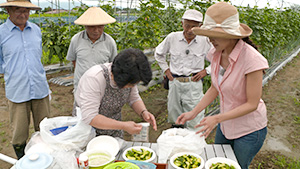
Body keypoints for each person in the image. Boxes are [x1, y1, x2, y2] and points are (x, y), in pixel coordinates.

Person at [176, 2, 269, 169]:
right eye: (208, 34)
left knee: (237, 166)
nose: (210, 39)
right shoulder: (215, 54)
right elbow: (214, 87)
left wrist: (216, 118)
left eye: (214, 35)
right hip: (226, 125)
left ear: (231, 35)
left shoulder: (252, 60)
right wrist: (193, 112)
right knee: (217, 161)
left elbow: (252, 104)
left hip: (249, 130)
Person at [0, 0, 50, 159]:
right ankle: (22, 161)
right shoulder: (1, 33)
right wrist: (11, 72)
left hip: (40, 87)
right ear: (8, 10)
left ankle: (44, 158)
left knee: (44, 128)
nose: (23, 14)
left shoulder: (35, 30)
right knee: (19, 133)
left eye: (26, 10)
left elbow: (37, 57)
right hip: (17, 90)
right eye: (18, 10)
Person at [75, 48, 157, 138]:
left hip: (114, 127)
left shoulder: (130, 76)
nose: (133, 86)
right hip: (88, 130)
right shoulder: (94, 78)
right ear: (120, 78)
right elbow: (90, 117)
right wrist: (124, 126)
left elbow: (133, 98)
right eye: (131, 84)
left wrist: (143, 112)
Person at [154, 9, 212, 131]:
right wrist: (166, 70)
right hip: (175, 82)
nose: (189, 30)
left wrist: (206, 71)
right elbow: (158, 53)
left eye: (194, 27)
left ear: (200, 26)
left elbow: (218, 60)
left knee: (194, 118)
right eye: (187, 25)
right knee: (174, 117)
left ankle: (193, 144)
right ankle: (177, 142)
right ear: (182, 24)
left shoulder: (205, 41)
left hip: (193, 83)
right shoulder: (172, 38)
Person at [67, 7, 117, 115]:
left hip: (102, 88)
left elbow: (113, 64)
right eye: (92, 27)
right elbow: (74, 60)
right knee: (81, 116)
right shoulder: (76, 40)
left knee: (100, 116)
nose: (96, 30)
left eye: (100, 26)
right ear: (85, 26)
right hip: (81, 87)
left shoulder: (110, 42)